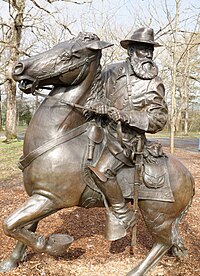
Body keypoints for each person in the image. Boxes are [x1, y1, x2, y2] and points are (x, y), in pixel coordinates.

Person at [87, 27, 168, 241]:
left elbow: (159, 119)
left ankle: (122, 212)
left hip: (127, 139)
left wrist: (126, 116)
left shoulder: (154, 82)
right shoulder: (111, 72)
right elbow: (94, 94)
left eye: (150, 50)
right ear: (131, 51)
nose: (148, 55)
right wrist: (100, 105)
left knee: (102, 171)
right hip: (100, 128)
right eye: (142, 50)